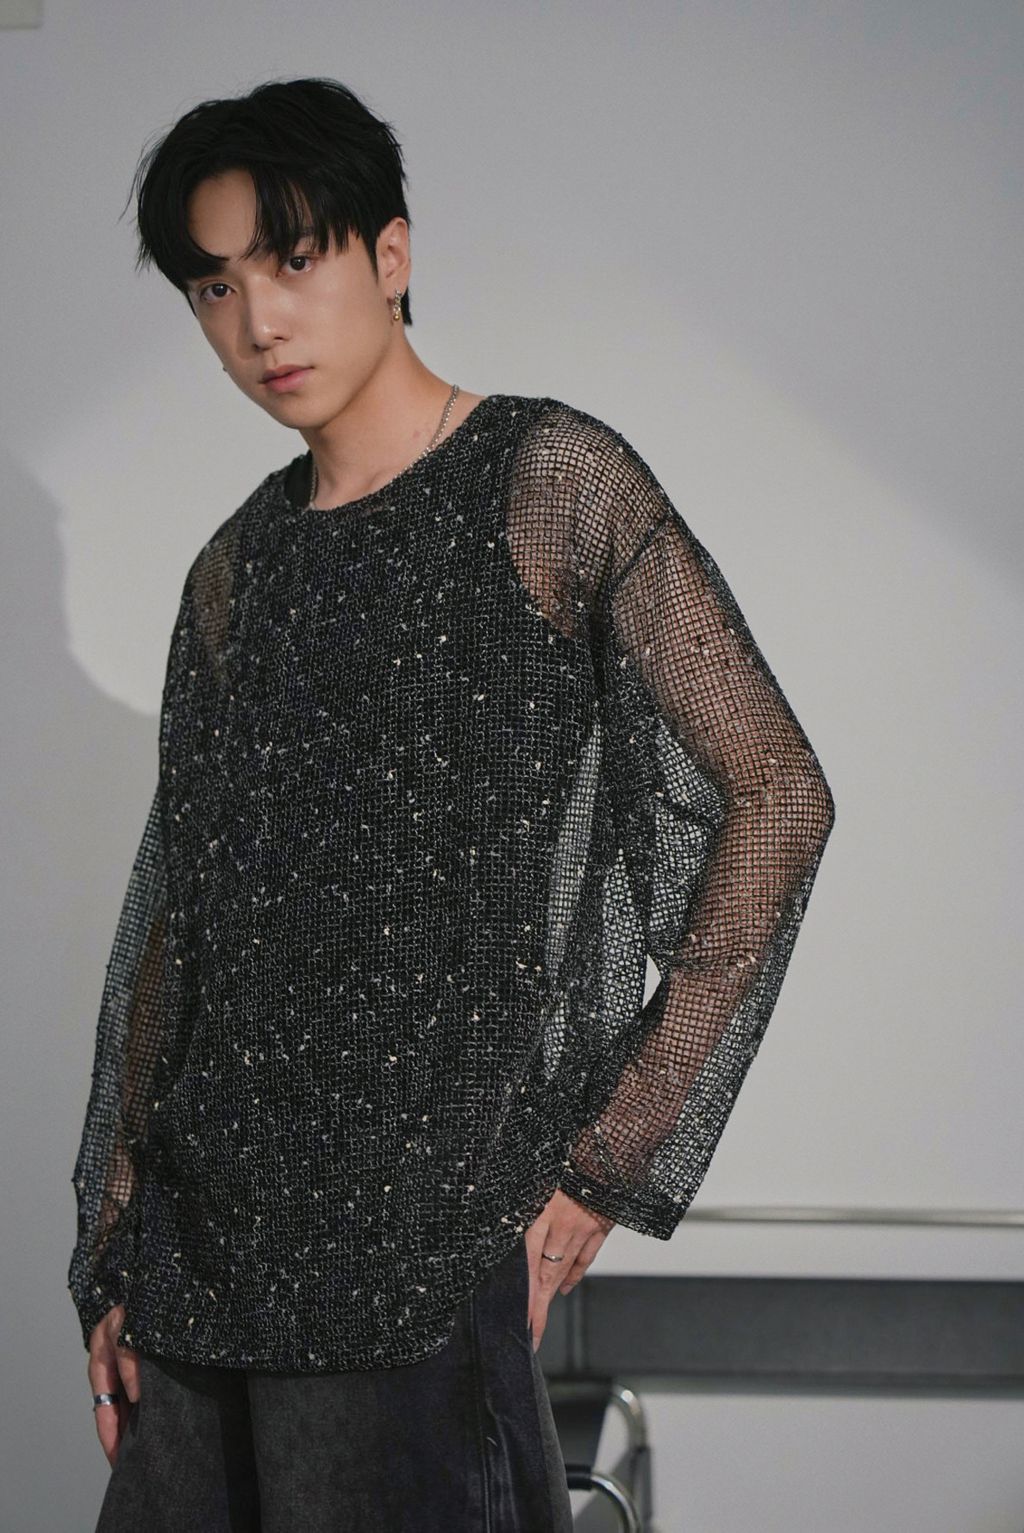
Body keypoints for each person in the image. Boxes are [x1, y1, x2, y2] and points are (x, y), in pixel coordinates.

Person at [67, 75, 836, 1532]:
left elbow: (777, 796)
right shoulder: (234, 571)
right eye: (215, 287)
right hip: (200, 1271)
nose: (259, 322)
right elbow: (183, 922)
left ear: (391, 254)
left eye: (294, 261)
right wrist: (116, 1245)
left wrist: (609, 1160)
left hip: (419, 1265)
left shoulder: (546, 482)